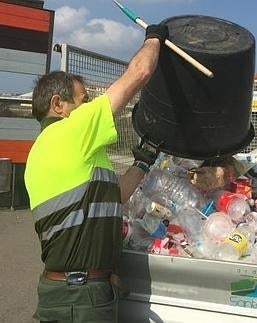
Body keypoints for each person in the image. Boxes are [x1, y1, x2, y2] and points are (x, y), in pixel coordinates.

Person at [24, 24, 168, 323]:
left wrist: (143, 162)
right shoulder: (68, 133)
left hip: (73, 291)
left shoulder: (50, 149)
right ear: (58, 105)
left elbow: (114, 196)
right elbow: (138, 74)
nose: (91, 106)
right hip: (79, 299)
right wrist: (155, 38)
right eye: (84, 100)